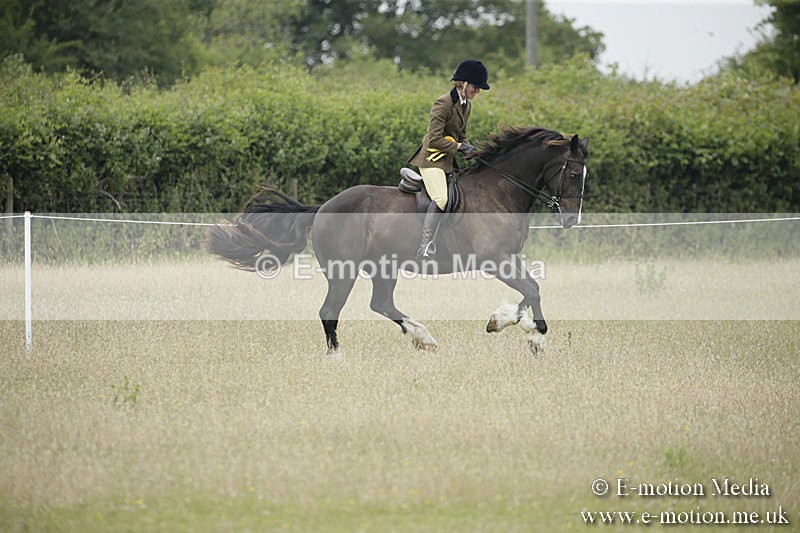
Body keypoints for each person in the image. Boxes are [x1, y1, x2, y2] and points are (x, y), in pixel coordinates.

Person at [408, 59, 490, 257]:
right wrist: (460, 146)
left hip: (447, 161)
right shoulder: (443, 102)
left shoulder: (466, 105)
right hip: (431, 160)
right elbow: (435, 139)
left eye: (478, 88)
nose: (477, 91)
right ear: (462, 83)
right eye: (475, 87)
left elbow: (461, 135)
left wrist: (472, 151)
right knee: (442, 198)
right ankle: (426, 245)